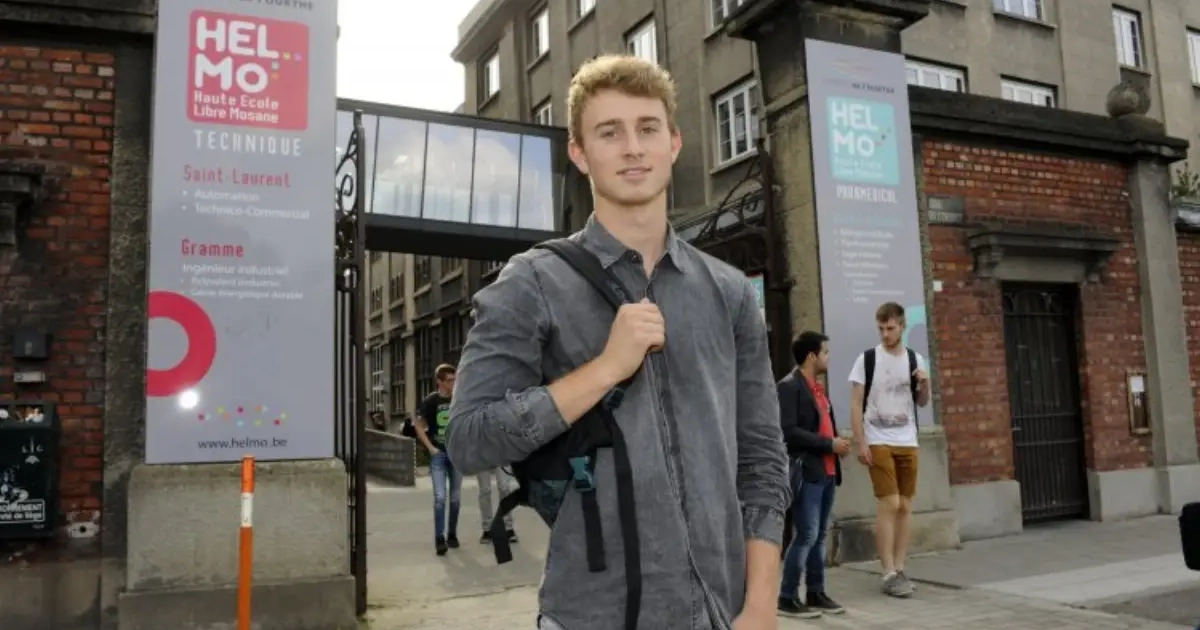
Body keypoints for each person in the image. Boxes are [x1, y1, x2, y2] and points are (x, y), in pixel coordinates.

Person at [446, 54, 790, 630]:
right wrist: (605, 368)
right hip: (592, 615)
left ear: (673, 143)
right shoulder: (533, 282)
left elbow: (761, 458)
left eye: (647, 129)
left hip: (722, 611)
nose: (633, 148)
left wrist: (760, 605)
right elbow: (468, 439)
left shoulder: (728, 291)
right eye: (610, 133)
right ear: (581, 153)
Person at [848, 302, 931, 598]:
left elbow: (922, 402)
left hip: (907, 438)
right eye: (881, 328)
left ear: (902, 327)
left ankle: (899, 567)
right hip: (877, 437)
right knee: (890, 502)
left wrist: (925, 384)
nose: (885, 334)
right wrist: (861, 441)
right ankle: (887, 572)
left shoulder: (914, 358)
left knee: (905, 505)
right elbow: (855, 403)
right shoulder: (867, 359)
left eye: (891, 328)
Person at [776, 331, 847, 618]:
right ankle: (787, 596)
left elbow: (824, 424)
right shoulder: (789, 387)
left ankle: (816, 592)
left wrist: (838, 446)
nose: (829, 357)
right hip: (807, 471)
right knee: (805, 534)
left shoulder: (818, 389)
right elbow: (788, 431)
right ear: (811, 356)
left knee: (819, 535)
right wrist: (829, 444)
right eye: (825, 352)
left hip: (827, 471)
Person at [415, 363, 463, 556]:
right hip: (439, 455)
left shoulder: (459, 399)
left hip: (456, 454)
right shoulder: (430, 401)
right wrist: (430, 448)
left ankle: (452, 534)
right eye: (449, 380)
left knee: (456, 498)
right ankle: (439, 538)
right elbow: (419, 425)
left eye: (454, 380)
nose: (453, 384)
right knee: (440, 497)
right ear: (439, 382)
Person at [478, 466, 519, 545]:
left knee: (504, 488)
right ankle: (487, 529)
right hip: (481, 458)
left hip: (501, 458)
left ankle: (508, 527)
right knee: (484, 491)